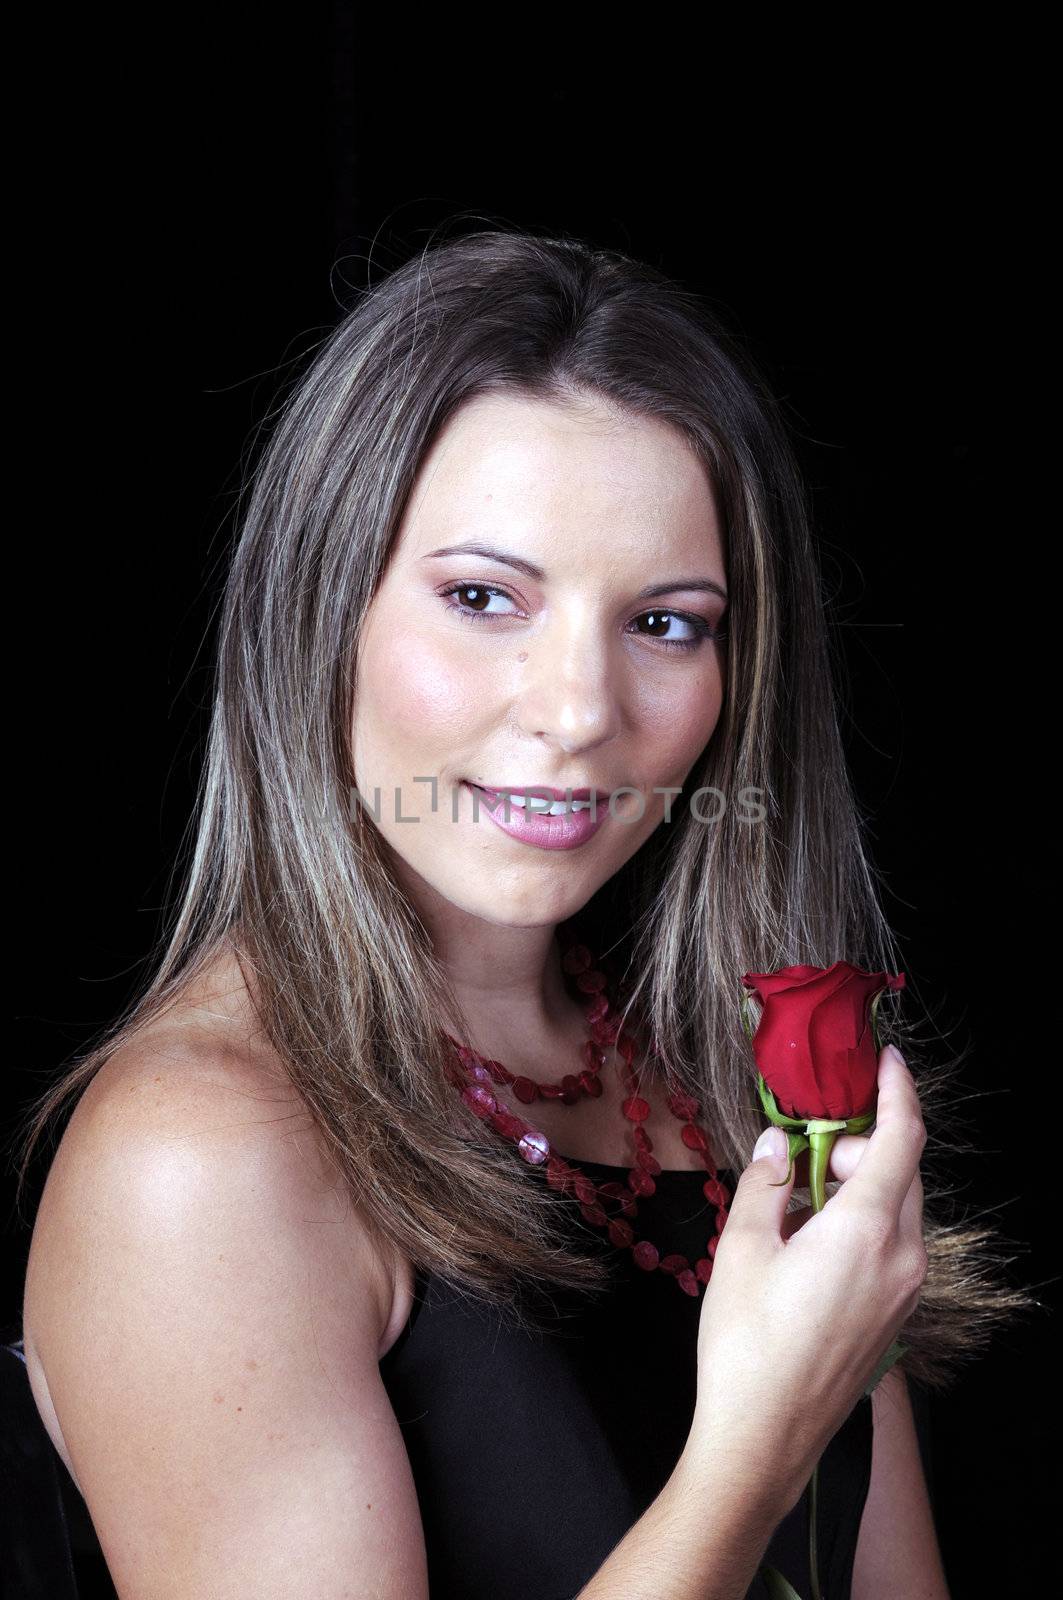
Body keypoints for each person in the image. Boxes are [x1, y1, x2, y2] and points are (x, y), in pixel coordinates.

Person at [14, 229, 1025, 1599]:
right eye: (484, 599)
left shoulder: (730, 1088)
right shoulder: (198, 1158)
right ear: (326, 611)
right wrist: (755, 1450)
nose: (578, 710)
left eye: (666, 624)